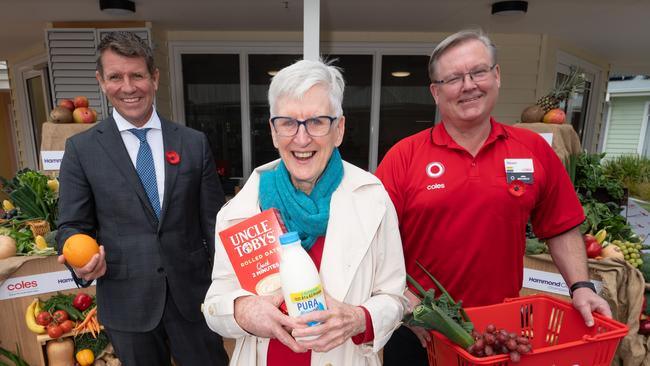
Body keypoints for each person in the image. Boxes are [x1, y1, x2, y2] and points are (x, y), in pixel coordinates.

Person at [375, 29, 612, 365]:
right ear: (435, 92)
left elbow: (560, 226)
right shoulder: (404, 156)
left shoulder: (532, 152)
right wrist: (405, 301)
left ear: (496, 76)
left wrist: (581, 287)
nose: (468, 85)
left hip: (500, 331)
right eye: (453, 78)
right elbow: (372, 243)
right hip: (421, 330)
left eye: (478, 72)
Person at [203, 59, 406, 365]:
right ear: (273, 132)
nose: (301, 138)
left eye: (316, 121)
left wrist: (358, 318)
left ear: (338, 129)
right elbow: (216, 300)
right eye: (288, 122)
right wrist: (243, 310)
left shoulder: (373, 200)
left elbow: (394, 297)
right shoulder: (242, 209)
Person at [56, 31, 229, 366]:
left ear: (155, 78)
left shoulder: (194, 143)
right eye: (115, 77)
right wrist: (83, 264)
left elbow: (214, 222)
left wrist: (229, 284)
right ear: (101, 81)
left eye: (137, 75)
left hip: (193, 297)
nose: (128, 87)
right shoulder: (82, 150)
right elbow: (71, 226)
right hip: (126, 301)